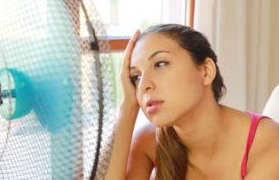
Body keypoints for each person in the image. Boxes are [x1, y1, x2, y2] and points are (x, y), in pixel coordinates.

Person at [105, 24, 279, 180]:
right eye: (136, 77)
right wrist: (128, 107)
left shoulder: (268, 143)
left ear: (206, 71)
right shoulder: (148, 142)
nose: (143, 85)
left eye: (160, 64)